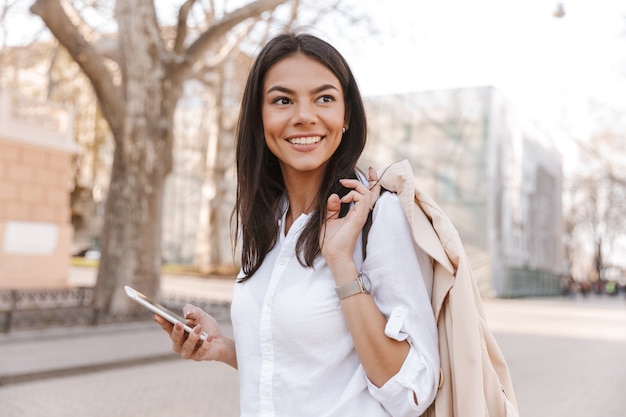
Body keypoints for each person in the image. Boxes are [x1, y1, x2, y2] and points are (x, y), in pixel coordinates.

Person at [155, 32, 439, 417]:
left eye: (324, 98)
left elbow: (412, 392)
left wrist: (341, 262)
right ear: (260, 116)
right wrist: (224, 348)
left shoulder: (377, 216)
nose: (304, 116)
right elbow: (311, 369)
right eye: (282, 100)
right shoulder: (270, 222)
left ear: (347, 115)